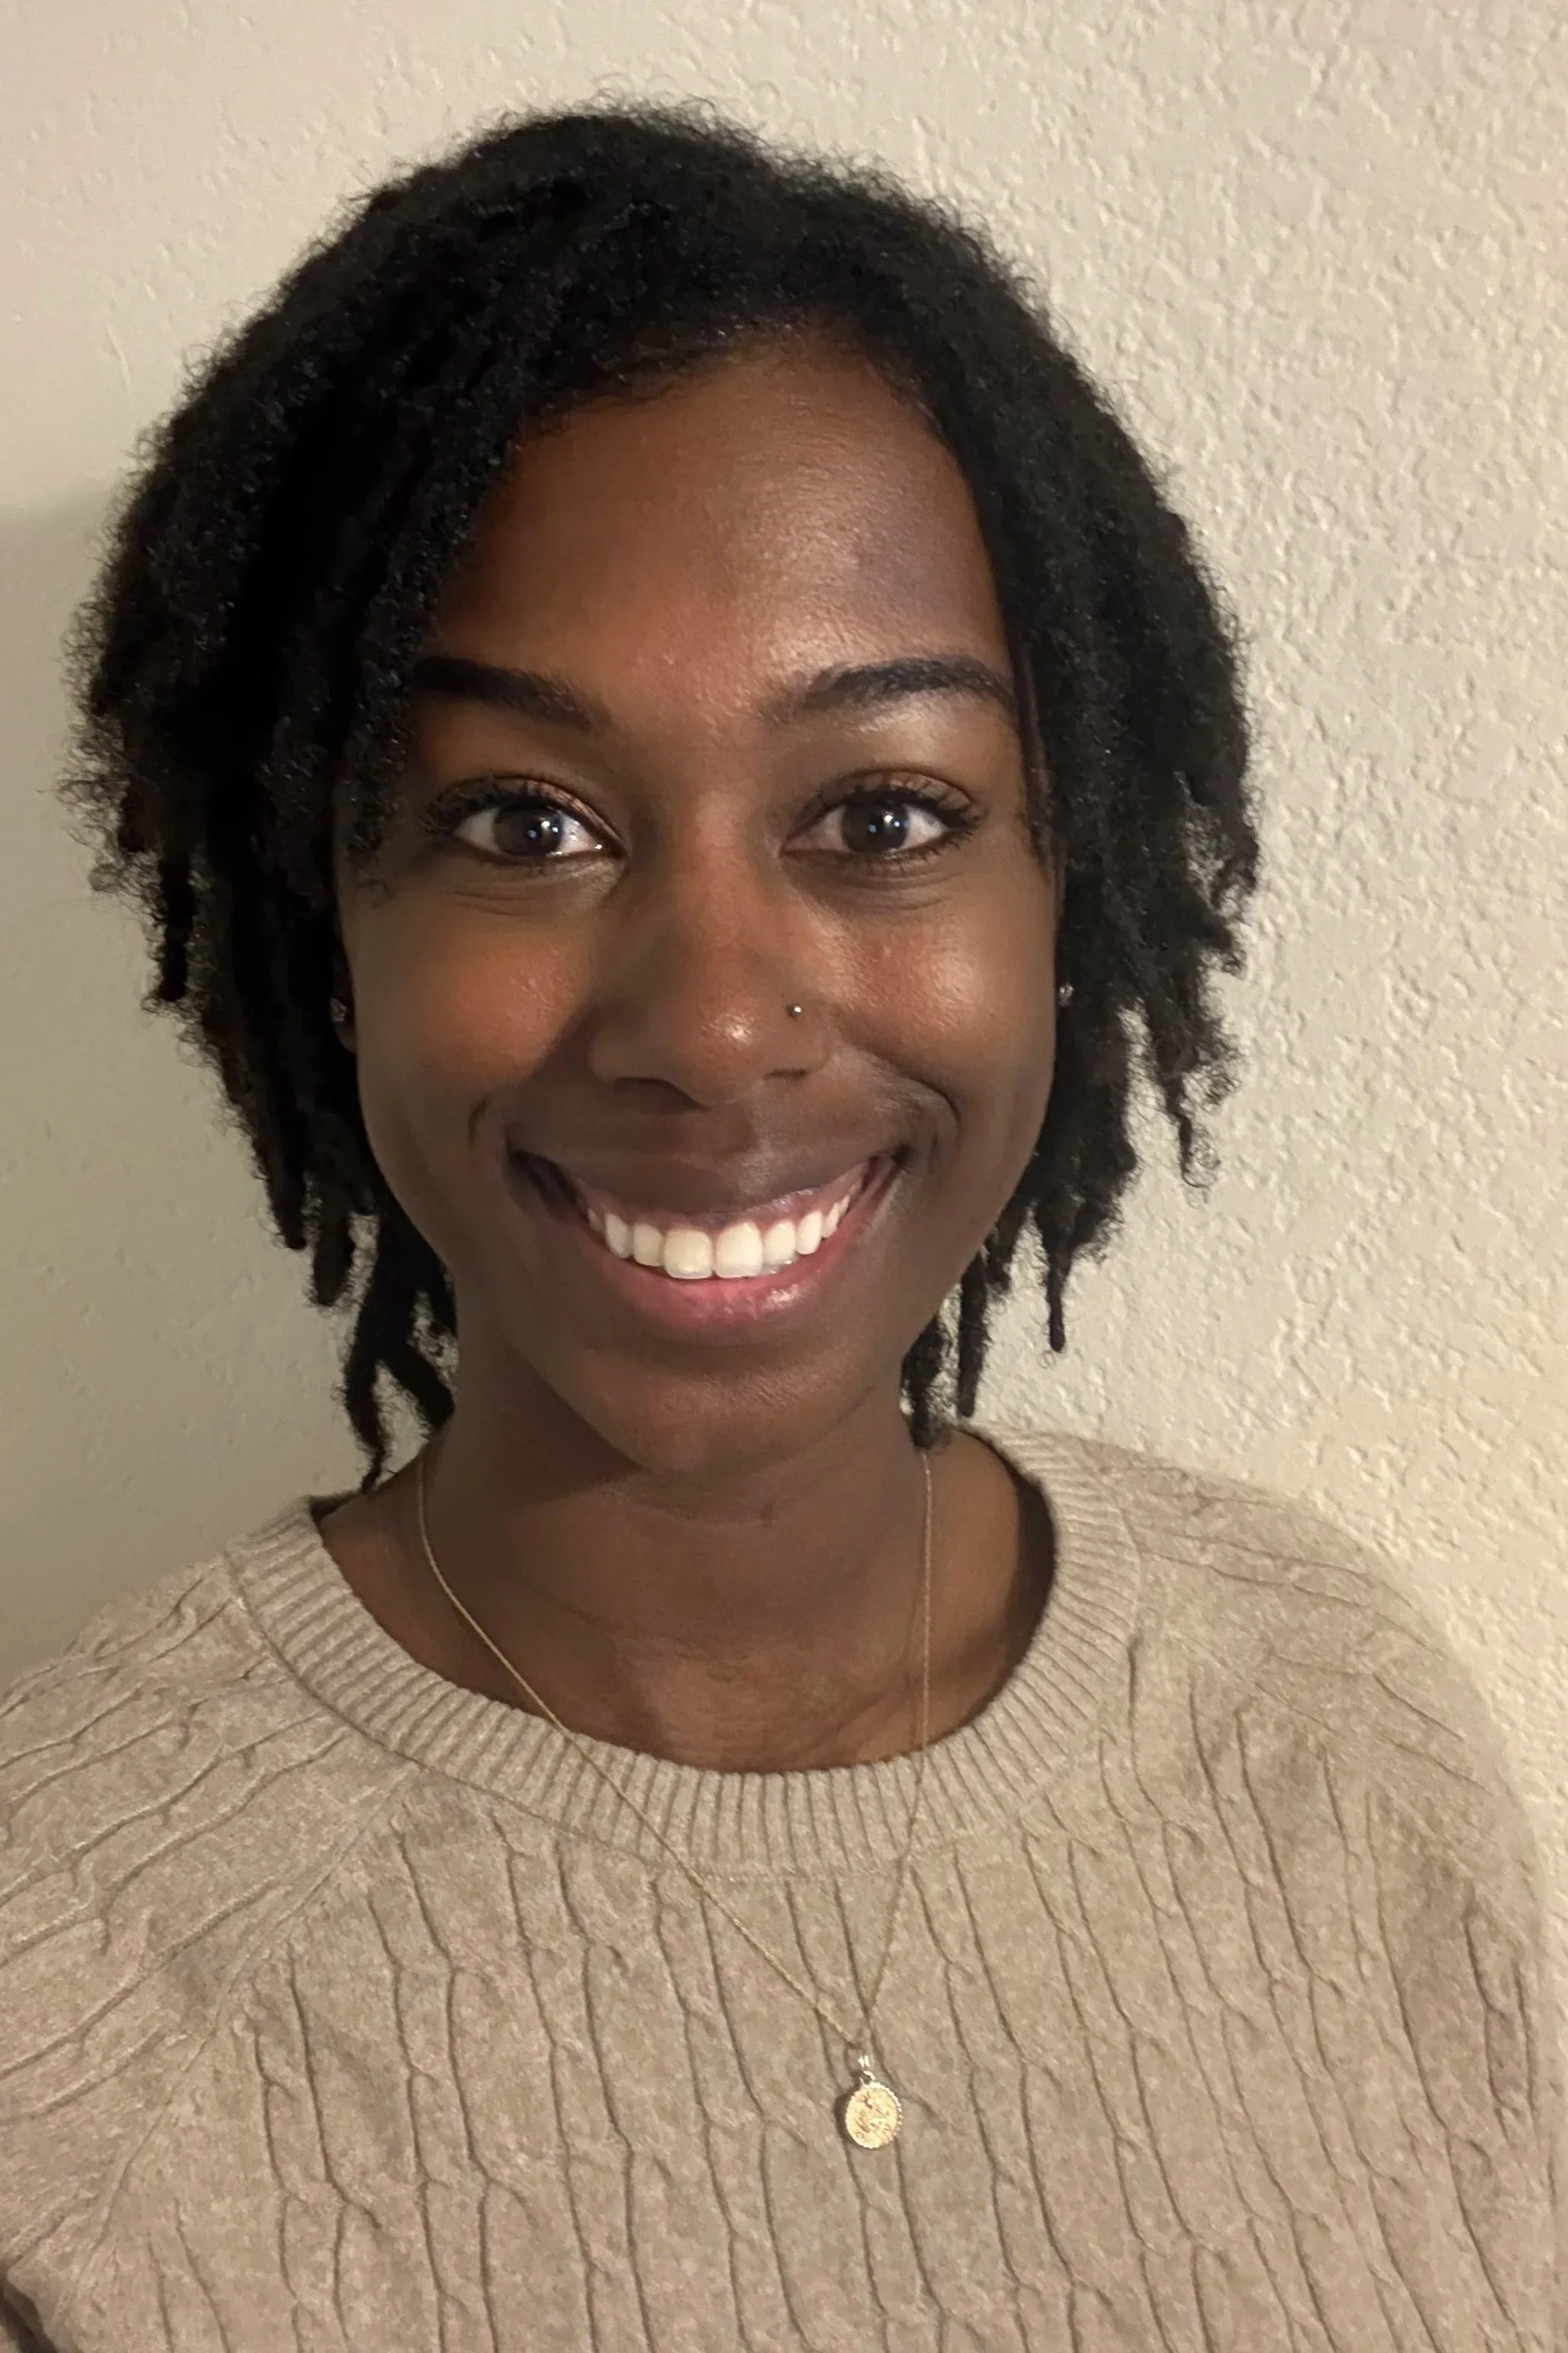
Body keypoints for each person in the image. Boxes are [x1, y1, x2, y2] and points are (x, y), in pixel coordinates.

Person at [0, 101, 1560, 2353]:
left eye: (886, 811)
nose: (719, 1026)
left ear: (1070, 890)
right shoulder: (68, 1963)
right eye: (522, 821)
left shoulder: (1323, 1707)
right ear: (322, 911)